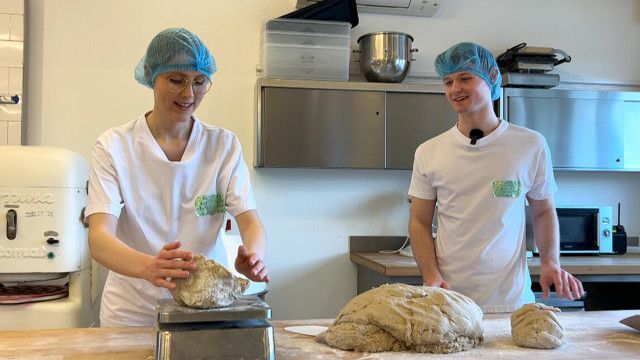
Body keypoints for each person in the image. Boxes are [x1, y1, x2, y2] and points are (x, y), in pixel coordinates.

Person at [85, 28, 269, 327]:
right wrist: (151, 267)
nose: (188, 94)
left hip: (204, 305)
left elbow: (250, 221)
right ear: (149, 75)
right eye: (176, 80)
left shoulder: (222, 146)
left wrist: (254, 256)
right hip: (131, 312)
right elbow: (99, 239)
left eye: (199, 82)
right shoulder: (114, 147)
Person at [407, 42, 584, 313]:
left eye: (465, 78)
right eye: (448, 81)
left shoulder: (530, 145)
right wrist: (431, 277)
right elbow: (419, 222)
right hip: (450, 299)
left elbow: (543, 211)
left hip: (511, 301)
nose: (455, 89)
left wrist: (550, 261)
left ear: (491, 78)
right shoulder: (429, 152)